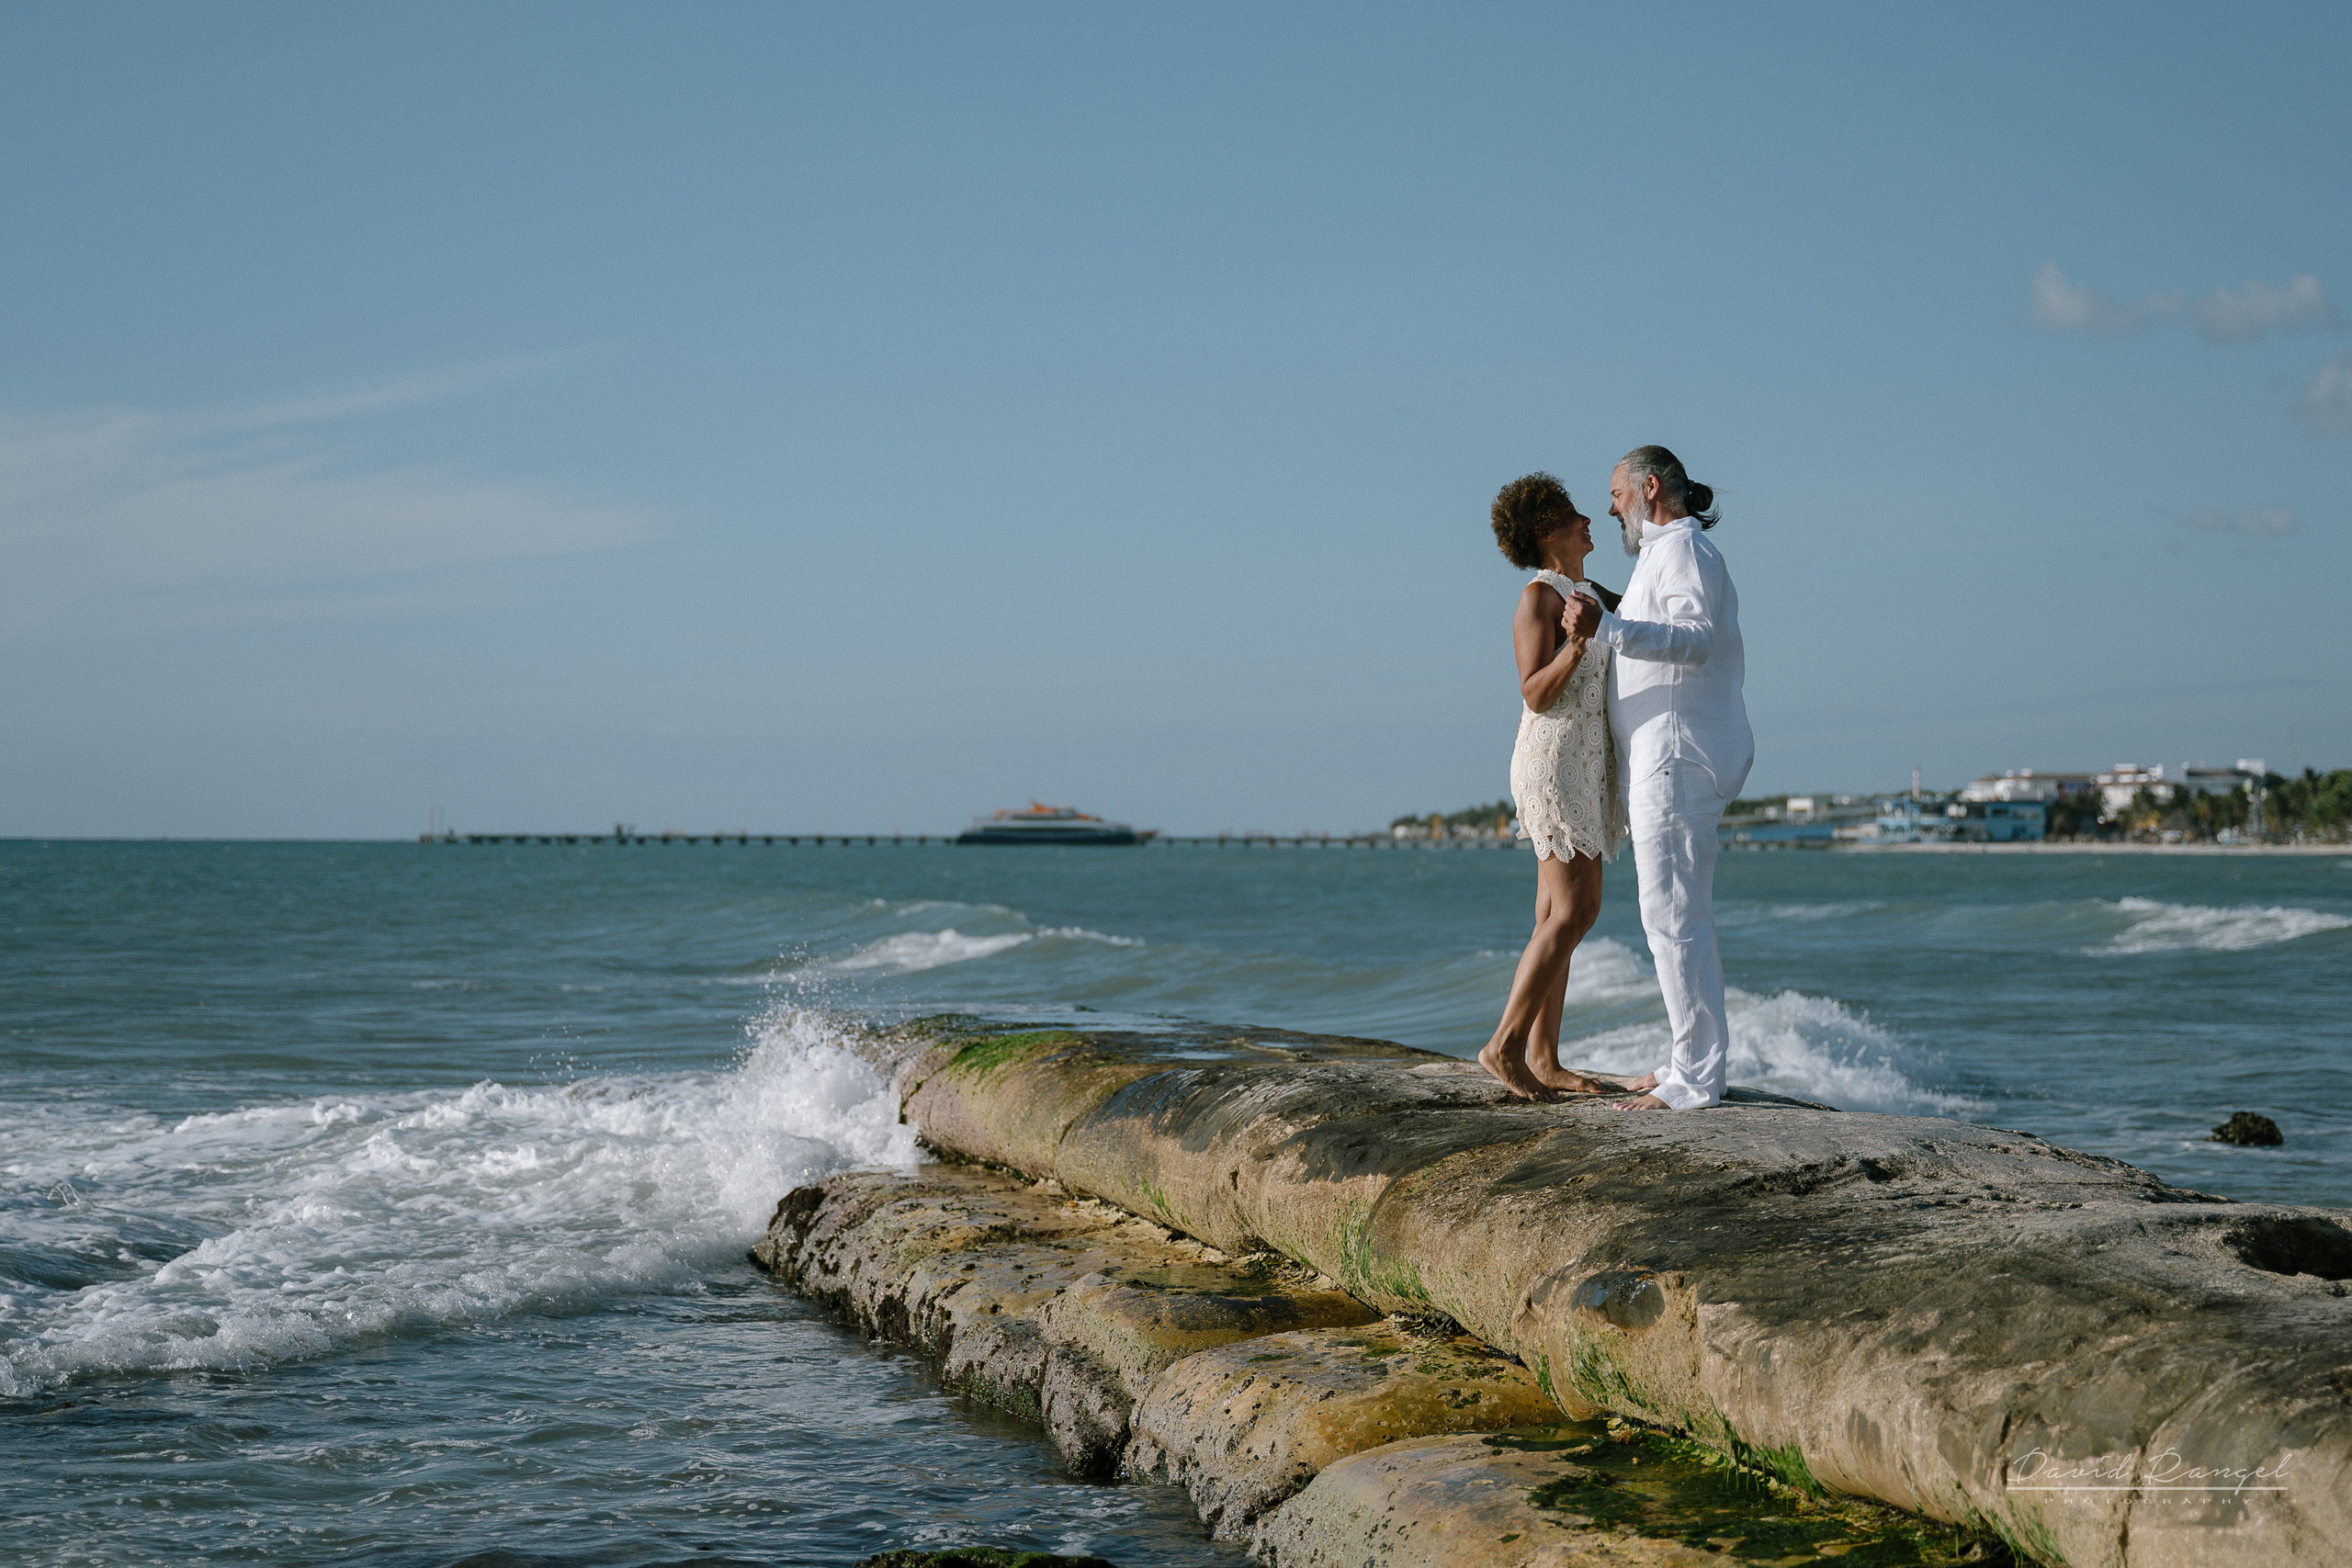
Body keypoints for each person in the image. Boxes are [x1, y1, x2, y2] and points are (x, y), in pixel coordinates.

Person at [1566, 446, 1752, 1111]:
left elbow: (1694, 638)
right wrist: (1612, 606)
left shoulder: (1685, 552)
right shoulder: (1663, 556)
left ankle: (1696, 1078)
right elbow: (1662, 625)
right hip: (1664, 757)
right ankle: (1693, 1062)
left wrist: (1608, 625)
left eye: (1616, 492)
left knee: (1672, 914)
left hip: (1676, 757)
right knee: (1673, 914)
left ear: (1648, 488)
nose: (1609, 505)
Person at [1476, 473, 1626, 1101]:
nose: (1588, 519)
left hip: (1585, 763)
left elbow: (1643, 612)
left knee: (1552, 912)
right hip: (1551, 761)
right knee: (1575, 909)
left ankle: (1544, 1054)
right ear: (1545, 531)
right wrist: (1576, 645)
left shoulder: (1588, 589)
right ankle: (1504, 1045)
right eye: (1572, 514)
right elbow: (1534, 692)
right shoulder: (1538, 596)